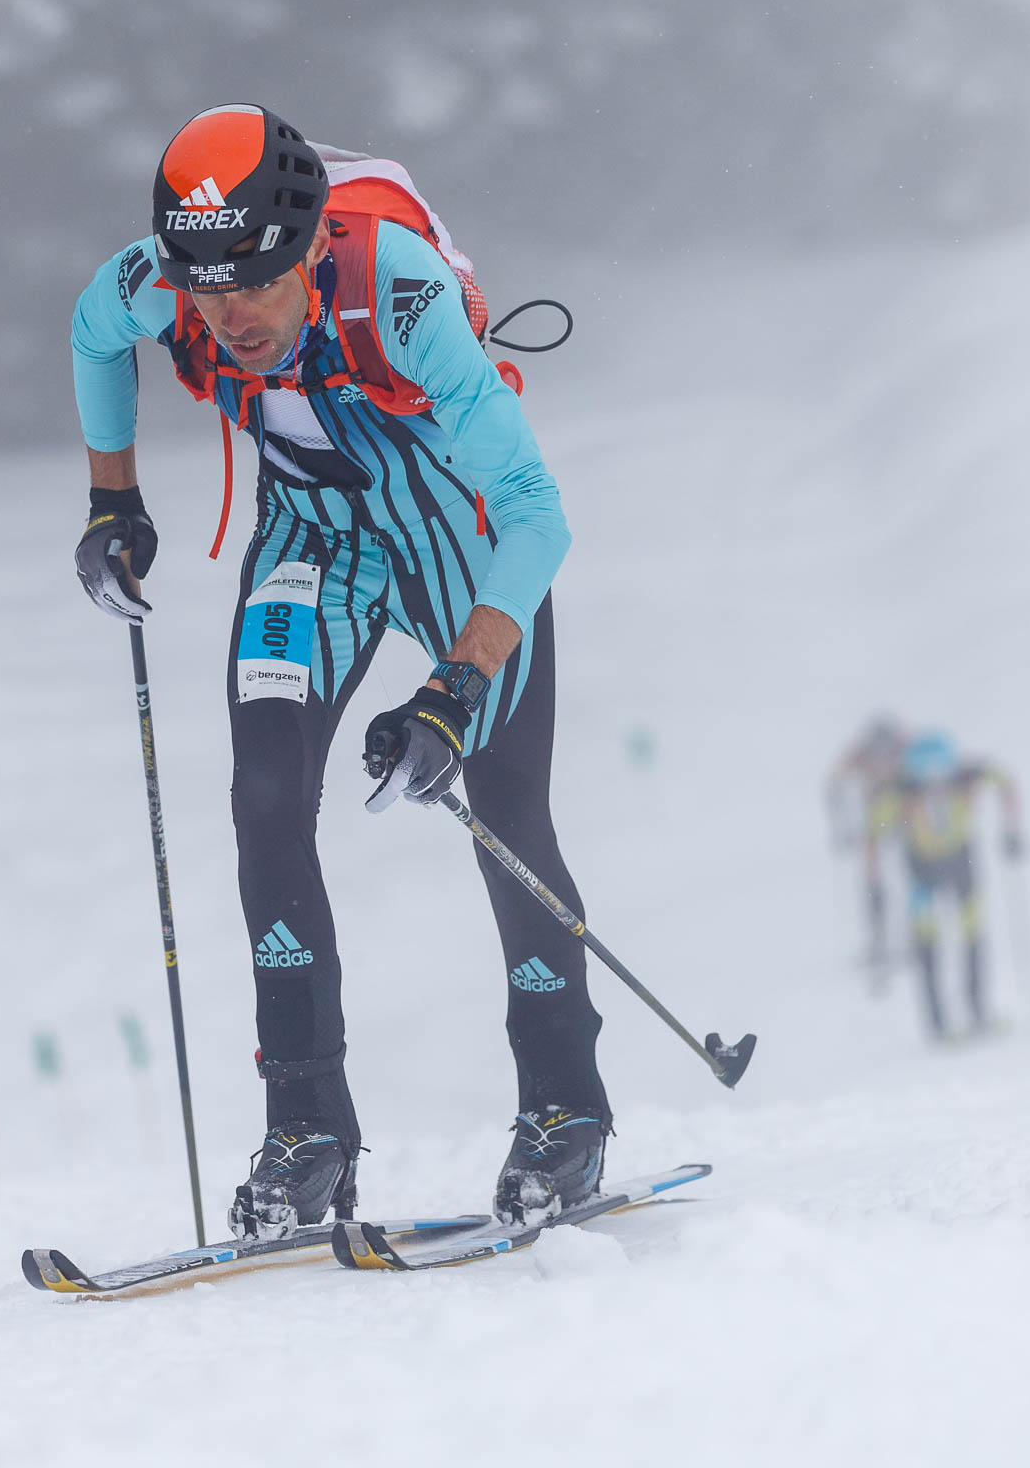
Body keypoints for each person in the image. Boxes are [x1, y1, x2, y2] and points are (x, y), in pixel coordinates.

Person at [70, 103, 609, 1237]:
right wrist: (111, 498)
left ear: (310, 245)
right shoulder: (165, 282)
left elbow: (535, 516)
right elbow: (89, 330)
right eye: (205, 291)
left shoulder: (396, 293)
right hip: (308, 540)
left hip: (459, 529)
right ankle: (306, 1126)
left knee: (503, 802)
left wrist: (454, 686)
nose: (230, 319)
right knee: (265, 799)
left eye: (255, 284)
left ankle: (564, 1106)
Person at [869, 732, 1023, 1040]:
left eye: (940, 777)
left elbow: (1006, 782)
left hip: (961, 863)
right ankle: (939, 1024)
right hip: (922, 873)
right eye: (926, 780)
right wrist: (873, 875)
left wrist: (1011, 829)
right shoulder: (900, 790)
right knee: (928, 943)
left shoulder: (965, 774)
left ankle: (979, 1011)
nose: (934, 785)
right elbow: (873, 830)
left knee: (972, 934)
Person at [826, 716, 911, 982]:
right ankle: (880, 938)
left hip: (902, 816)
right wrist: (841, 824)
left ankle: (910, 934)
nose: (882, 762)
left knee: (907, 874)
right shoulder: (861, 754)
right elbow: (835, 783)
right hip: (877, 818)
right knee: (874, 878)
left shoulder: (903, 747)